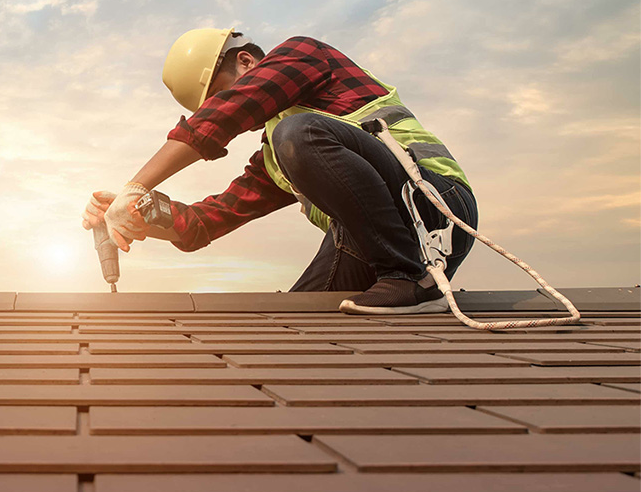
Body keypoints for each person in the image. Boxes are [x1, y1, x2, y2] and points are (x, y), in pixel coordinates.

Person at [82, 27, 478, 314]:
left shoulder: (304, 56)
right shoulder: (280, 155)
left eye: (224, 94)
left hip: (435, 206)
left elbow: (228, 115)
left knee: (298, 132)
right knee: (296, 320)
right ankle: (401, 284)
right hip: (368, 243)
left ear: (247, 60)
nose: (230, 105)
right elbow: (208, 221)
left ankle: (409, 280)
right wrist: (142, 211)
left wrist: (136, 184)